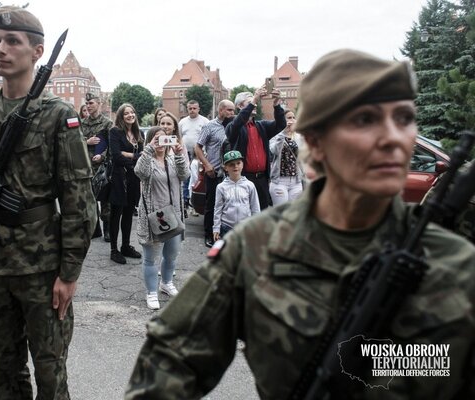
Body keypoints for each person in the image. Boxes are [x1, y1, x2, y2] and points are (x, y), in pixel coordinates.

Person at [125, 49, 475, 399]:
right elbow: (169, 365)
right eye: (365, 120)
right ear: (316, 141)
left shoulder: (458, 264)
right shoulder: (257, 248)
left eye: (403, 118)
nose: (393, 138)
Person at [0, 7, 96, 399]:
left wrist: (69, 273)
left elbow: (79, 200)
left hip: (43, 271)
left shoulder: (57, 115)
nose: (0, 49)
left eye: (12, 41)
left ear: (38, 51)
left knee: (50, 373)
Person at [134, 126, 189, 310]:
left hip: (174, 214)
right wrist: (148, 149)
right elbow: (140, 173)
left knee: (171, 255)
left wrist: (180, 154)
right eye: (156, 139)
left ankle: (166, 283)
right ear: (150, 140)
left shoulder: (173, 160)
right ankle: (151, 292)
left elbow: (185, 175)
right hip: (154, 216)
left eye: (164, 139)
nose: (161, 143)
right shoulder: (147, 160)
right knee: (150, 258)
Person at [226, 87, 286, 210]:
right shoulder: (232, 126)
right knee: (244, 214)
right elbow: (238, 123)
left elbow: (281, 125)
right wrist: (254, 99)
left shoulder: (261, 126)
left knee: (262, 213)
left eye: (254, 103)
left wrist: (276, 104)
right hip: (244, 178)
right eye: (249, 103)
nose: (254, 105)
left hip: (262, 179)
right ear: (239, 106)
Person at [195, 99, 236, 247]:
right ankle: (209, 235)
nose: (232, 113)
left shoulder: (235, 126)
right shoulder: (210, 126)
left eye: (233, 110)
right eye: (229, 110)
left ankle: (225, 234)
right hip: (214, 172)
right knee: (212, 204)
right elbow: (198, 147)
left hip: (232, 173)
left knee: (229, 204)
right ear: (221, 110)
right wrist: (207, 165)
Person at [108, 103, 143, 264]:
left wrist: (129, 155)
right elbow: (116, 156)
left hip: (133, 178)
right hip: (118, 178)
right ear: (121, 117)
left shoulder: (139, 133)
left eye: (132, 112)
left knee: (129, 213)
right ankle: (114, 250)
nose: (130, 115)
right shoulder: (115, 132)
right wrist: (135, 157)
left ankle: (126, 246)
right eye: (126, 113)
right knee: (116, 214)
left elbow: (143, 157)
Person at [82, 92, 113, 242]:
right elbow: (74, 142)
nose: (88, 106)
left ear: (99, 104)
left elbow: (112, 145)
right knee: (90, 199)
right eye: (87, 104)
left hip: (102, 166)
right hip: (87, 166)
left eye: (91, 103)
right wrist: (86, 142)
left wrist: (102, 156)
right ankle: (95, 228)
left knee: (105, 199)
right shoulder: (82, 124)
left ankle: (107, 229)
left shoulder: (107, 123)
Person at [212, 150, 260, 241]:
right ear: (225, 167)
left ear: (242, 165)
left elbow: (255, 208)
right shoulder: (221, 187)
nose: (235, 166)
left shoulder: (249, 185)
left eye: (238, 163)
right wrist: (216, 228)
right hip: (227, 228)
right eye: (231, 164)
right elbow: (217, 209)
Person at [268, 108, 305, 206]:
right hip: (279, 181)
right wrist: (283, 132)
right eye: (289, 118)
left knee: (293, 213)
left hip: (296, 181)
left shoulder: (298, 136)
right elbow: (274, 150)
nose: (292, 120)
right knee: (281, 213)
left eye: (293, 117)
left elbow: (303, 154)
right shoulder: (275, 135)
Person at [179, 100, 209, 212]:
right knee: (186, 176)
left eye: (194, 108)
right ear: (187, 109)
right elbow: (179, 136)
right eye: (190, 108)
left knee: (198, 177)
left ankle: (196, 202)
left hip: (200, 153)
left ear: (198, 109)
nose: (192, 110)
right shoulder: (182, 122)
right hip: (185, 153)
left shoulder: (205, 121)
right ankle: (186, 200)